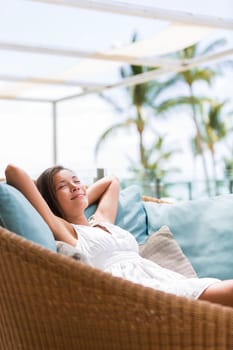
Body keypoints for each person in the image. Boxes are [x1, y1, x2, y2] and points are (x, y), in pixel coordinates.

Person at [5, 164, 233, 308]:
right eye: (62, 186)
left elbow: (112, 181)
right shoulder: (64, 230)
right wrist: (53, 206)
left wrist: (80, 195)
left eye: (77, 181)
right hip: (134, 292)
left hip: (163, 278)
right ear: (49, 200)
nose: (75, 186)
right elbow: (13, 171)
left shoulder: (101, 221)